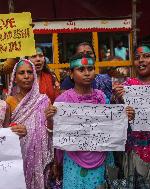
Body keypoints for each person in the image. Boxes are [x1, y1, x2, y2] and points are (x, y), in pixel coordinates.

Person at [52, 53, 134, 189]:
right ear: (71, 74)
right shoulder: (63, 100)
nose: (87, 73)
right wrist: (50, 119)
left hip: (102, 158)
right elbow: (55, 134)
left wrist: (125, 116)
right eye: (81, 69)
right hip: (73, 161)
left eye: (90, 69)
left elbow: (110, 128)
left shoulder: (102, 97)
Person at [112, 44, 150, 188]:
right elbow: (114, 122)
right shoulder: (127, 86)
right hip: (135, 151)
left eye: (146, 56)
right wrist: (119, 101)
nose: (141, 60)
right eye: (137, 58)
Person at [6, 59, 53, 189]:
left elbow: (50, 132)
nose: (26, 76)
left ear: (34, 76)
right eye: (22, 73)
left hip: (40, 157)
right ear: (14, 78)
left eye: (29, 72)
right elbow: (4, 131)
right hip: (18, 154)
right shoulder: (9, 102)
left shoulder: (43, 100)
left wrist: (50, 119)